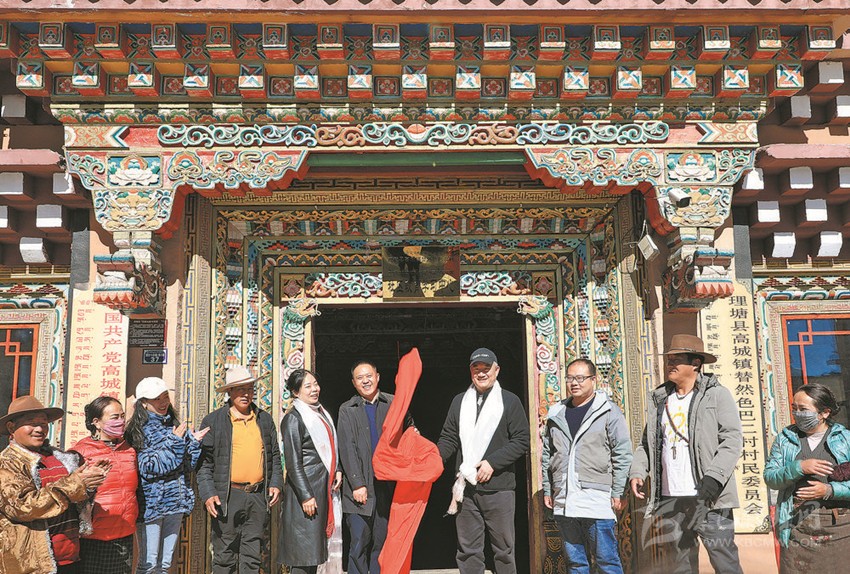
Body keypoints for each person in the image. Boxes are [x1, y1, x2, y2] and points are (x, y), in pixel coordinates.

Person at [629, 334, 744, 574]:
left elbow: (732, 440)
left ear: (696, 364)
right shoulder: (660, 399)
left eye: (677, 359)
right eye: (669, 359)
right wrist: (638, 471)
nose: (670, 364)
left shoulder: (717, 395)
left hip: (708, 497)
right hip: (671, 497)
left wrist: (713, 478)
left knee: (724, 561)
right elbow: (647, 444)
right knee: (680, 564)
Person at [437, 348, 530, 574]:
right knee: (468, 549)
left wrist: (492, 463)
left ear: (496, 370)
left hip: (499, 488)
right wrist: (434, 460)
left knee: (503, 550)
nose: (481, 373)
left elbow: (522, 440)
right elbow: (449, 437)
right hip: (466, 487)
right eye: (476, 368)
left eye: (486, 368)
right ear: (470, 371)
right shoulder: (460, 401)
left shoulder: (509, 401)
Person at [542, 359, 633, 574]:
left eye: (580, 378)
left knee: (606, 561)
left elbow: (622, 453)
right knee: (575, 563)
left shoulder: (608, 412)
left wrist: (619, 490)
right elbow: (548, 454)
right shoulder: (556, 413)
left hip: (596, 496)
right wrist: (548, 488)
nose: (574, 383)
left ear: (594, 380)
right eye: (570, 378)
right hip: (564, 497)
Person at [0, 395, 107, 574]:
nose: (39, 429)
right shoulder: (7, 463)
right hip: (32, 562)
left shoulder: (60, 457)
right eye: (31, 423)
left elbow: (74, 496)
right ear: (12, 427)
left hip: (70, 556)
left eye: (43, 423)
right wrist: (75, 484)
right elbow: (24, 507)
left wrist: (89, 483)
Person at [197, 365, 283, 574]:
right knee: (224, 555)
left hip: (257, 496)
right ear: (229, 392)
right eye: (240, 389)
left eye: (249, 389)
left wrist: (275, 483)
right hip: (227, 496)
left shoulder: (264, 419)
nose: (246, 394)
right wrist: (208, 494)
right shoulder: (214, 421)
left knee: (252, 556)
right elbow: (204, 464)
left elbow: (274, 455)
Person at [764, 383, 850, 573]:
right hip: (796, 525)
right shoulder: (785, 439)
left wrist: (829, 490)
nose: (797, 414)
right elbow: (770, 477)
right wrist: (798, 467)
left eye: (803, 409)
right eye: (794, 408)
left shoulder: (845, 439)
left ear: (824, 412)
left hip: (840, 527)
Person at [126, 376, 208, 574]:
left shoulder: (173, 425)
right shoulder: (139, 431)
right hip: (152, 506)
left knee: (164, 564)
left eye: (165, 397)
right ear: (143, 403)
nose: (163, 402)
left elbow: (187, 466)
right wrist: (175, 442)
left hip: (175, 504)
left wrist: (193, 444)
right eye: (156, 399)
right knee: (148, 563)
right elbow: (150, 467)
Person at [338, 359, 413, 574]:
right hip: (359, 489)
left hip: (386, 486)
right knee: (359, 544)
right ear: (354, 383)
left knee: (382, 544)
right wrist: (357, 484)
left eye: (369, 376)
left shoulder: (394, 403)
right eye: (360, 378)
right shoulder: (347, 409)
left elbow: (408, 428)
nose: (365, 381)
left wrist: (413, 435)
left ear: (378, 377)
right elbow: (347, 448)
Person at [279, 369, 343, 574]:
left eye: (315, 384)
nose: (314, 389)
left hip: (322, 490)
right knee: (303, 557)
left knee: (314, 555)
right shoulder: (294, 419)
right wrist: (306, 496)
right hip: (306, 496)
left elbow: (329, 448)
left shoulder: (320, 413)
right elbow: (293, 463)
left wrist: (337, 468)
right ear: (295, 392)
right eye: (308, 386)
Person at [72, 396, 139, 574]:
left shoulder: (129, 450)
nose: (121, 421)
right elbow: (72, 491)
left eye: (122, 416)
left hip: (125, 531)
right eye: (114, 417)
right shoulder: (81, 452)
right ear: (97, 422)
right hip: (95, 536)